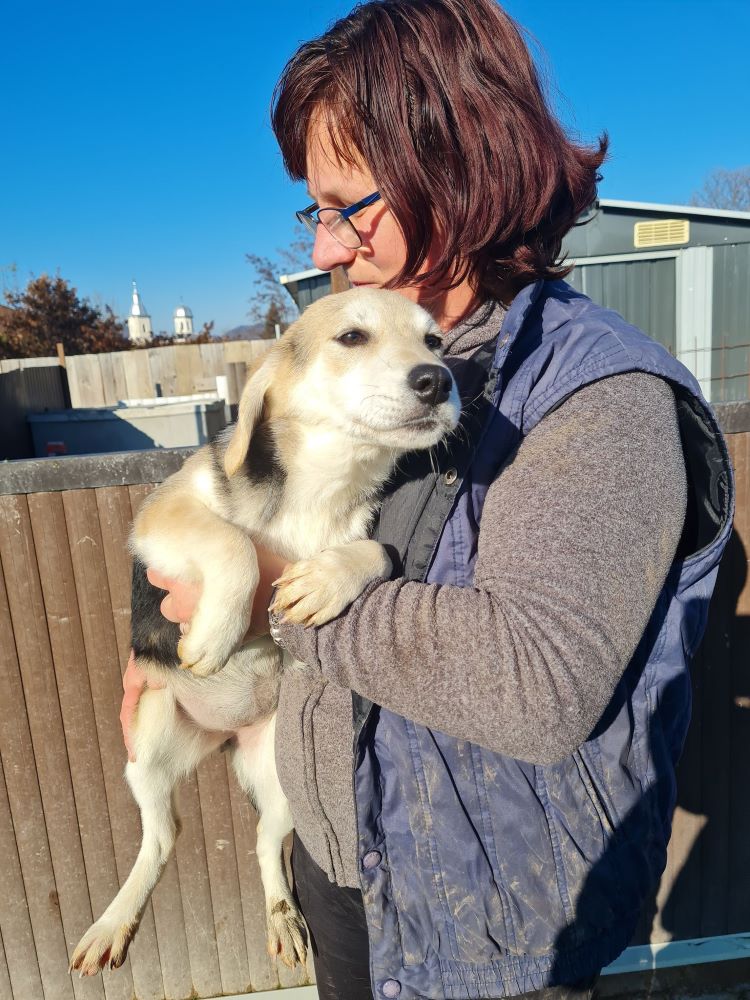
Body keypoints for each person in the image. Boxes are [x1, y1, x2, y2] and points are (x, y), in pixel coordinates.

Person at [122, 2, 734, 998]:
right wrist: (161, 636)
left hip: (493, 926)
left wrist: (276, 587)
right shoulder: (405, 365)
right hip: (346, 865)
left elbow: (537, 686)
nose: (325, 246)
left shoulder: (597, 394)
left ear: (452, 170)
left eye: (345, 205)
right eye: (313, 211)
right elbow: (240, 486)